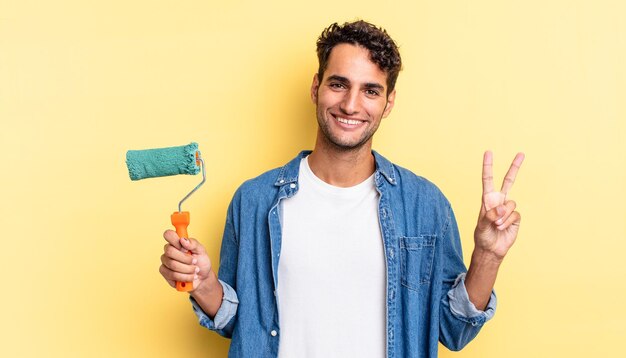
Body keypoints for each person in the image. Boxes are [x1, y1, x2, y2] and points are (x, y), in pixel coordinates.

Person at [159, 20, 524, 357]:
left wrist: (488, 256)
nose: (351, 104)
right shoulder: (254, 201)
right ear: (316, 87)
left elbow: (453, 330)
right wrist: (203, 283)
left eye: (370, 91)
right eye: (339, 84)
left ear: (388, 102)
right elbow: (244, 327)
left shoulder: (424, 205)